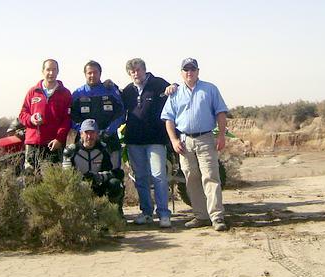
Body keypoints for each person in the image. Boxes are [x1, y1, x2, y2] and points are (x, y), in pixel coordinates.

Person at [160, 58, 229, 231]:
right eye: (186, 70)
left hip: (205, 138)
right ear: (181, 73)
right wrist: (174, 140)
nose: (189, 72)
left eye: (192, 69)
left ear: (198, 71)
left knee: (211, 177)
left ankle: (217, 217)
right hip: (184, 142)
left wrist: (221, 135)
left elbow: (221, 112)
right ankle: (201, 216)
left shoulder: (210, 89)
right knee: (191, 178)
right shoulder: (175, 93)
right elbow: (168, 119)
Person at [121, 58, 172, 228]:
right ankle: (147, 212)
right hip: (134, 141)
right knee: (140, 178)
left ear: (144, 70)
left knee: (158, 176)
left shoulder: (158, 84)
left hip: (156, 140)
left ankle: (164, 214)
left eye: (138, 70)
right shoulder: (128, 90)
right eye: (132, 71)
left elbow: (175, 90)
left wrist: (175, 86)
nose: (136, 73)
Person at [18, 59, 72, 173]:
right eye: (48, 69)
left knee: (52, 180)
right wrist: (31, 119)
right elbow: (22, 114)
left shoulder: (65, 93)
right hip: (33, 143)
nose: (51, 73)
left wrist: (59, 139)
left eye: (54, 70)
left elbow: (67, 120)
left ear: (58, 71)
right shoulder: (33, 92)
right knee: (30, 178)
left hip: (53, 144)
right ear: (43, 71)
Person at [63, 119, 125, 217]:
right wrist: (82, 180)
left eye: (92, 133)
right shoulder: (71, 151)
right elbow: (66, 175)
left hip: (99, 186)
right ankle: (76, 216)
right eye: (86, 133)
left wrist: (99, 177)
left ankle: (113, 214)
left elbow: (114, 172)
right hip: (79, 187)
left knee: (115, 184)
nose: (89, 136)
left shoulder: (104, 149)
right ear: (81, 134)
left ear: (97, 134)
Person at [70, 60, 124, 170]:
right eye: (89, 73)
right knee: (82, 175)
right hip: (85, 140)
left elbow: (121, 113)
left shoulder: (111, 90)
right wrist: (87, 132)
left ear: (100, 73)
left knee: (114, 174)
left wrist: (107, 132)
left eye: (95, 72)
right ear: (85, 74)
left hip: (109, 139)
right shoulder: (77, 94)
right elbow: (72, 117)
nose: (92, 75)